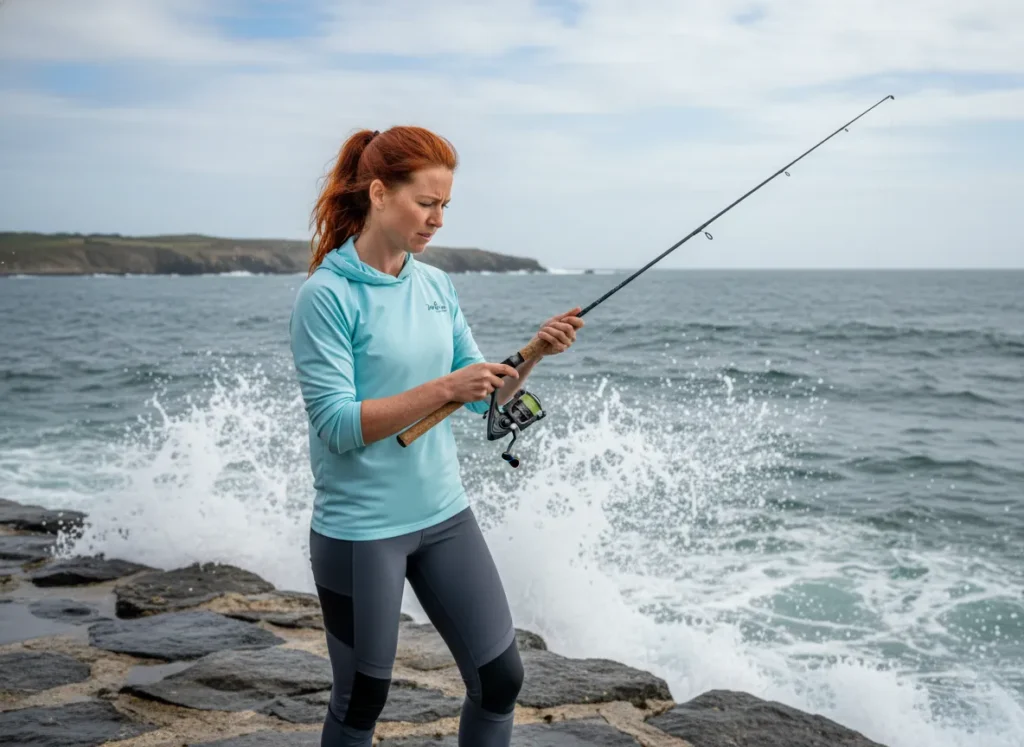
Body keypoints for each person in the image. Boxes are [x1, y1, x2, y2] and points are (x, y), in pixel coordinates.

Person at [288, 125, 584, 746]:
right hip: (361, 529)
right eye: (427, 203)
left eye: (445, 205)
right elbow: (338, 426)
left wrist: (533, 356)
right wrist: (447, 388)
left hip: (444, 515)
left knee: (501, 678)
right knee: (362, 698)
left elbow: (485, 399)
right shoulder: (327, 296)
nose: (438, 220)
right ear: (378, 194)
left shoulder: (435, 286)